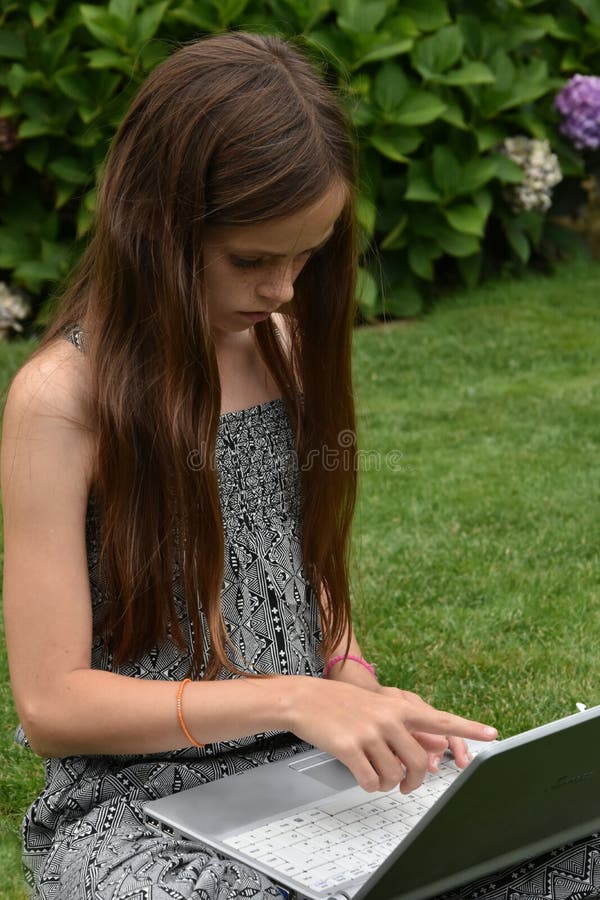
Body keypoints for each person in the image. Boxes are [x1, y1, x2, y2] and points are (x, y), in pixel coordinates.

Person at [1, 31, 597, 900]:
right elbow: (52, 709)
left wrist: (353, 680)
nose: (283, 289)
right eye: (252, 259)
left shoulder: (278, 345)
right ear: (156, 226)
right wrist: (291, 698)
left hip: (305, 768)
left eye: (306, 256)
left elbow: (293, 566)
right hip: (134, 804)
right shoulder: (63, 400)